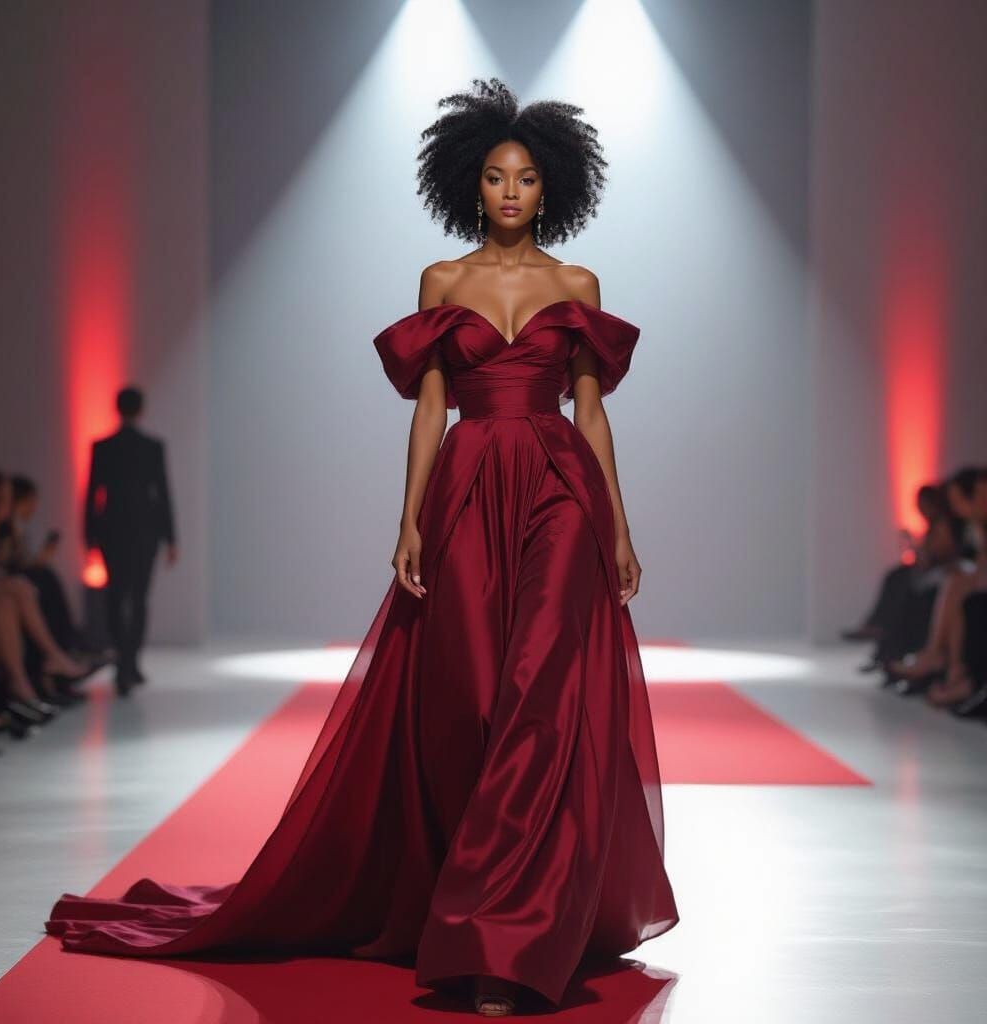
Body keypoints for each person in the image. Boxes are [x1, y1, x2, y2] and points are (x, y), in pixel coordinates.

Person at [44, 78, 678, 1017]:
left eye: (528, 179)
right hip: (465, 484)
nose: (511, 192)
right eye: (497, 177)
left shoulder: (577, 289)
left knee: (540, 699)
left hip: (557, 491)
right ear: (472, 184)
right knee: (464, 704)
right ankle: (464, 903)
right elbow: (428, 413)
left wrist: (619, 526)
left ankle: (505, 943)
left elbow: (592, 417)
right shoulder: (441, 283)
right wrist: (407, 518)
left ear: (553, 191)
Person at [83, 386, 177, 695]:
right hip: (144, 532)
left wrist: (89, 534)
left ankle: (124, 661)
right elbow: (162, 494)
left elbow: (93, 494)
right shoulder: (152, 447)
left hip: (112, 530)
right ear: (141, 409)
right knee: (138, 598)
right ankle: (130, 662)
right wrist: (171, 537)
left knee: (116, 595)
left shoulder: (103, 447)